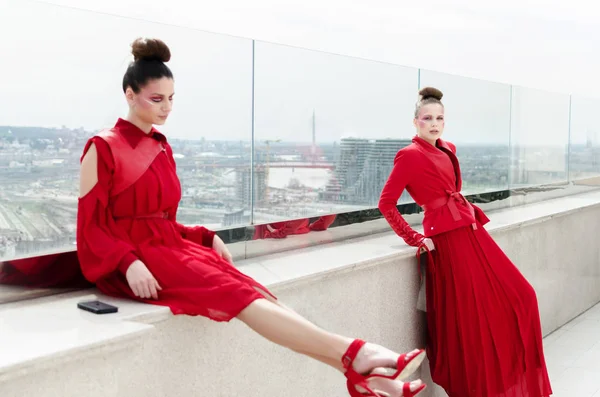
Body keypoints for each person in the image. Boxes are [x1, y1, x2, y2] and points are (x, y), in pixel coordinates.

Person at [76, 37, 427, 397]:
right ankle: (359, 356)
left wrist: (201, 235)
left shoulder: (161, 147)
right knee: (241, 296)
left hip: (168, 249)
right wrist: (128, 261)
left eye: (171, 99)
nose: (166, 108)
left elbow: (160, 220)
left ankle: (365, 372)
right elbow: (91, 228)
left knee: (256, 294)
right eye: (156, 99)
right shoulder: (102, 147)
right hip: (138, 262)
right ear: (129, 95)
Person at [378, 87, 553, 397]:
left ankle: (502, 382)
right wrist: (414, 237)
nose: (434, 123)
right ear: (415, 122)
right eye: (427, 118)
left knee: (522, 296)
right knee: (470, 319)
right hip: (447, 242)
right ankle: (475, 387)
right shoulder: (409, 155)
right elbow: (386, 203)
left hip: (471, 233)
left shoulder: (449, 148)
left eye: (440, 118)